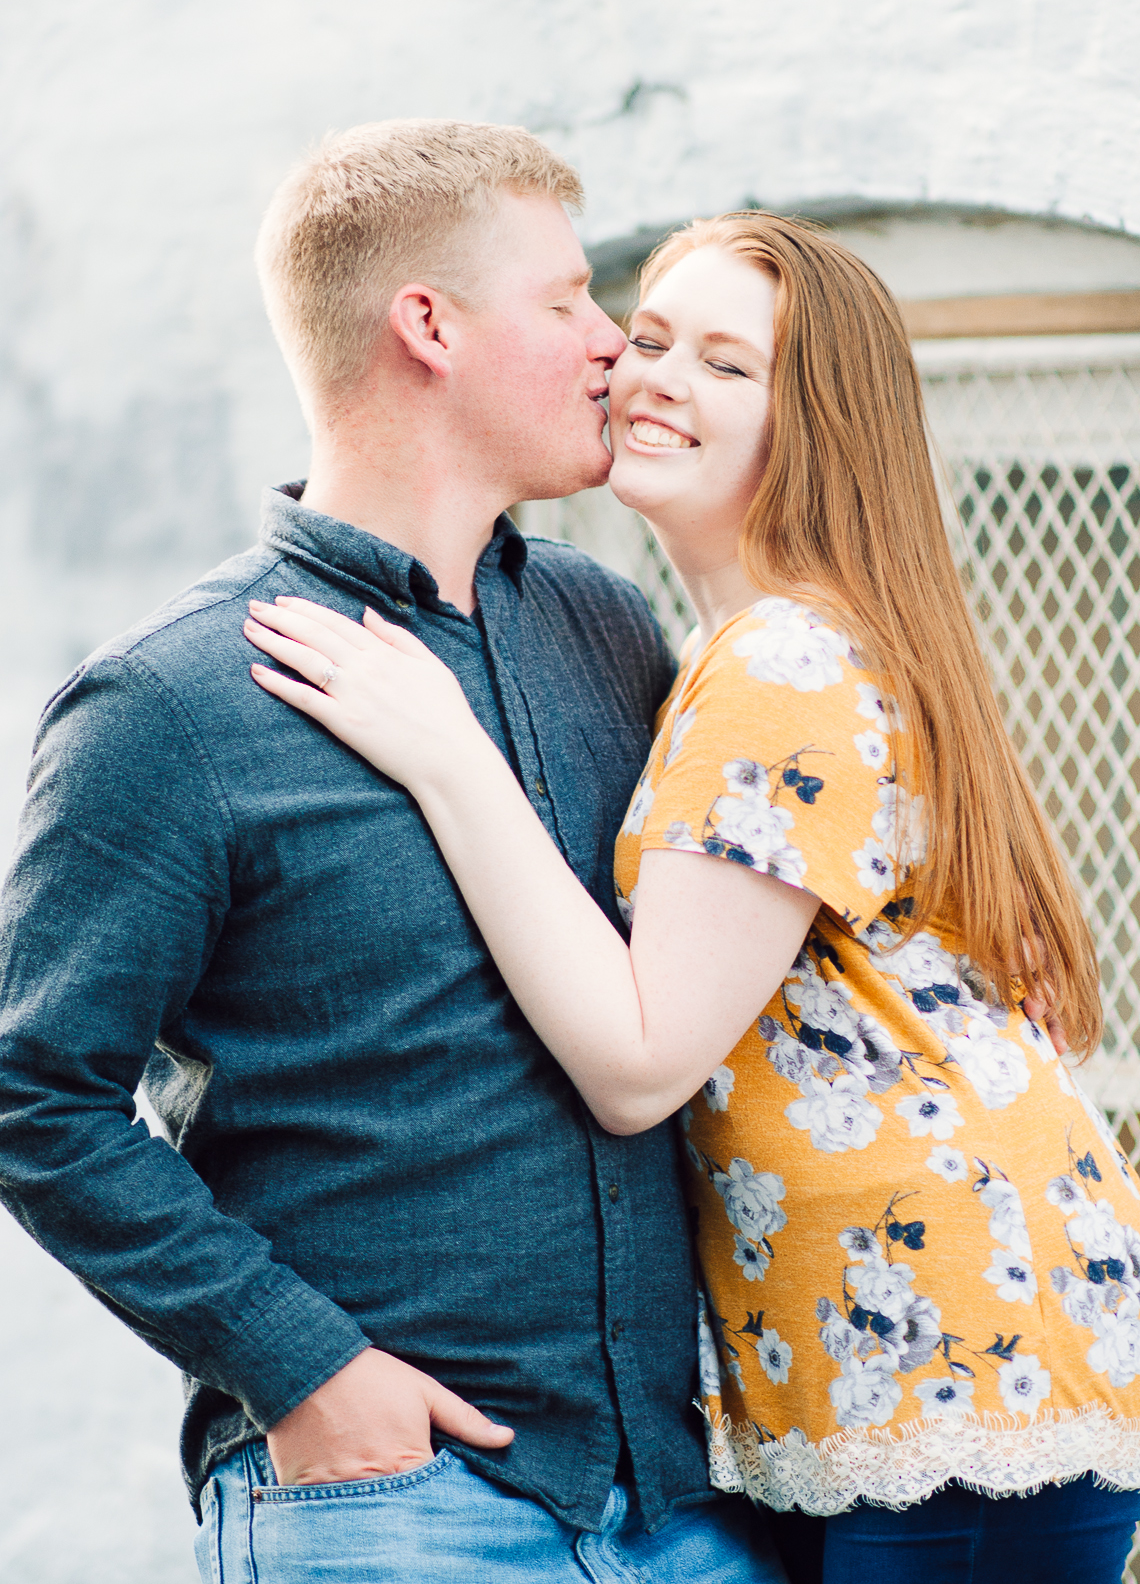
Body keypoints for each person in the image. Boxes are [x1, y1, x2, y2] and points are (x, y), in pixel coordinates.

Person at [242, 210, 1140, 1584]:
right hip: (950, 1361)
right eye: (649, 337)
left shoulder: (780, 659)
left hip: (950, 1386)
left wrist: (445, 753)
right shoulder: (762, 643)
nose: (656, 375)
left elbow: (640, 1059)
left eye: (728, 363)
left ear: (820, 424)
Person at [0, 125, 786, 1584]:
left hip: (683, 1507)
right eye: (568, 303)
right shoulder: (171, 702)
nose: (613, 346)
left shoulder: (610, 632)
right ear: (429, 324)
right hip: (394, 1511)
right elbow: (34, 1094)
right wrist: (302, 1369)